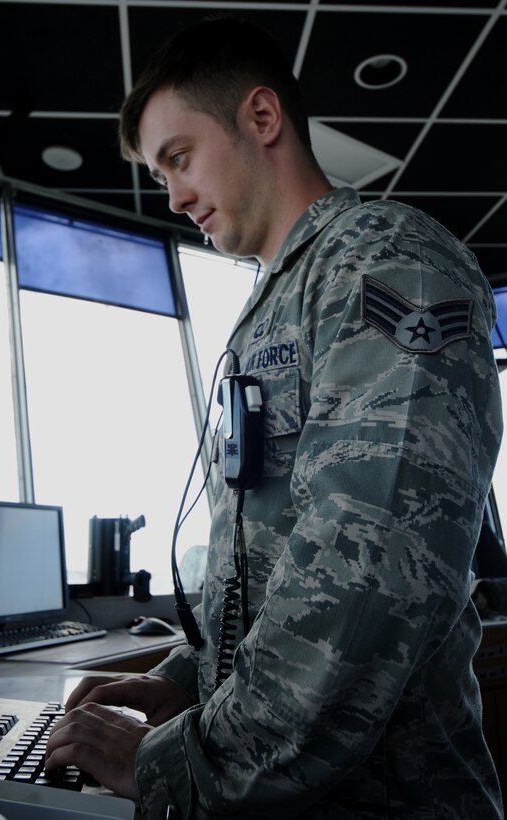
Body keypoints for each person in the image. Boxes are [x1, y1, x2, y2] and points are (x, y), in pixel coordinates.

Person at [45, 17, 504, 819]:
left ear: (261, 118)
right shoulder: (273, 305)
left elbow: (368, 568)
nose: (174, 196)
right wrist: (187, 683)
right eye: (159, 175)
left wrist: (182, 765)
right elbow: (268, 566)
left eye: (179, 157)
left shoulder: (385, 260)